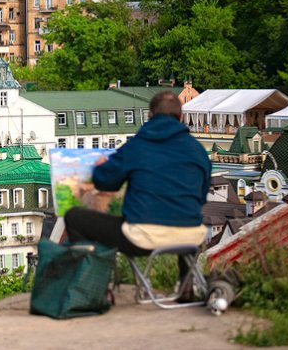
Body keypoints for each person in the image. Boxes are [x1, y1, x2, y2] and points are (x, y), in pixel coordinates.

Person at [64, 90, 211, 297]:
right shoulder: (198, 151)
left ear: (150, 116)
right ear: (181, 118)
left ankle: (90, 286)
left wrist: (100, 167)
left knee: (75, 217)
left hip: (142, 239)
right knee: (184, 214)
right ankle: (186, 285)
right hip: (190, 239)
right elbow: (202, 197)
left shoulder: (137, 146)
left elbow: (105, 182)